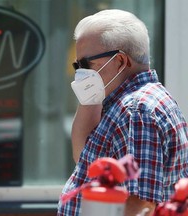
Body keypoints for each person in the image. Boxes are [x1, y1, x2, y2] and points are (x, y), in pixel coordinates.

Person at [57, 9, 188, 216]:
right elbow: (83, 158)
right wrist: (90, 96)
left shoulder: (137, 111)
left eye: (85, 64)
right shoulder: (127, 103)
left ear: (120, 61)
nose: (80, 73)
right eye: (77, 65)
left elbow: (140, 204)